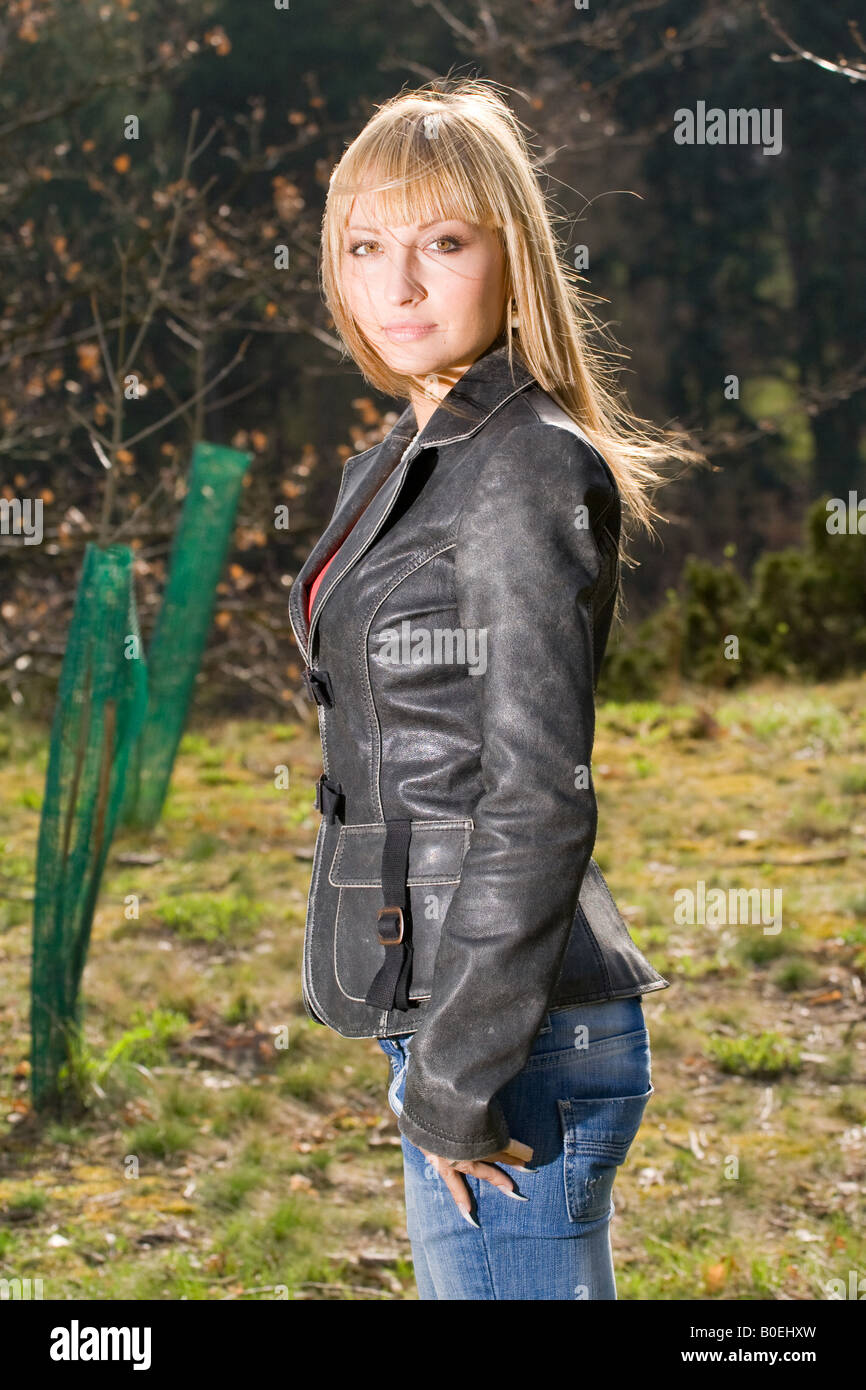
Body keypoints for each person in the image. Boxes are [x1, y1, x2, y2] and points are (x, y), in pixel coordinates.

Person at [288, 77, 702, 1300]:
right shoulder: (412, 458)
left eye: (442, 243)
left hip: (511, 1031)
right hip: (465, 1003)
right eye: (365, 245)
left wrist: (460, 1075)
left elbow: (536, 795)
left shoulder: (519, 465)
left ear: (511, 254)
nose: (396, 284)